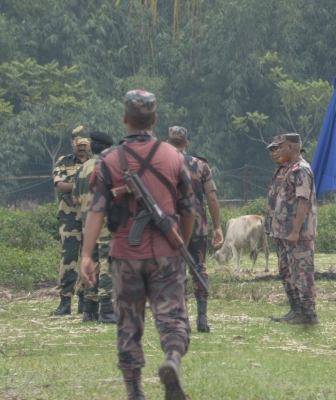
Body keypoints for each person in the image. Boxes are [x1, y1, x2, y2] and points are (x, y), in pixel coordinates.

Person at [80, 90, 196, 400]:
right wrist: (179, 244)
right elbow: (188, 209)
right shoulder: (174, 157)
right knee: (172, 318)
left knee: (128, 325)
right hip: (166, 256)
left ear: (125, 118)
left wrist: (86, 255)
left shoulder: (108, 160)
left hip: (124, 256)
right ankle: (172, 359)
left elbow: (96, 209)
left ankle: (135, 393)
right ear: (155, 119)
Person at [167, 126, 224, 332]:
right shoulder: (201, 165)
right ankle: (203, 319)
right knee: (199, 269)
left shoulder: (162, 163)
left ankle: (182, 321)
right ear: (187, 143)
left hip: (172, 228)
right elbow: (211, 197)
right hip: (199, 226)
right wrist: (217, 226)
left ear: (167, 142)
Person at [266, 133, 318, 325]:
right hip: (285, 232)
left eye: (281, 147)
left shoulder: (300, 170)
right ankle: (296, 309)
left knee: (303, 272)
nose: (278, 151)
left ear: (290, 147)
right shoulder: (287, 169)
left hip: (299, 233)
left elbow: (303, 201)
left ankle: (308, 313)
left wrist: (296, 231)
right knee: (289, 272)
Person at [71, 131, 116, 323]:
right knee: (107, 262)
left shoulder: (82, 169)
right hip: (105, 220)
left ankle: (89, 309)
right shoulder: (109, 165)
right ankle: (106, 308)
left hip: (86, 222)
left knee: (91, 262)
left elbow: (74, 198)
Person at [50, 126, 91, 316]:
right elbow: (60, 185)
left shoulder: (96, 162)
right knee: (68, 259)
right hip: (69, 219)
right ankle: (65, 301)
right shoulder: (64, 162)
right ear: (72, 144)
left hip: (90, 217)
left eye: (84, 144)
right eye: (78, 144)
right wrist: (83, 185)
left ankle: (85, 300)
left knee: (89, 258)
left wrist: (75, 187)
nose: (82, 148)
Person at [267, 141, 297, 322]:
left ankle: (299, 307)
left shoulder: (292, 170)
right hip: (277, 228)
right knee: (284, 269)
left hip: (288, 229)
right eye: (270, 151)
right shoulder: (279, 170)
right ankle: (293, 304)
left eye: (276, 149)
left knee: (293, 269)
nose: (273, 153)